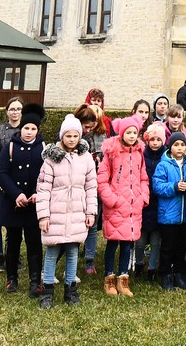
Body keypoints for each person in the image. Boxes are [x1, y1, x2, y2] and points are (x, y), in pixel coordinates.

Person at [36, 114, 97, 308]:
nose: (72, 139)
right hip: (56, 212)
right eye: (68, 136)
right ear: (62, 136)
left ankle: (70, 290)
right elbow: (43, 189)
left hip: (77, 212)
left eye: (75, 136)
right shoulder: (51, 159)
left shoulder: (85, 158)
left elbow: (91, 187)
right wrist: (43, 215)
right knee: (52, 251)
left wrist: (91, 212)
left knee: (72, 251)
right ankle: (47, 291)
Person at [97, 114, 150, 298]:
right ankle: (109, 278)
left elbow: (143, 177)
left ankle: (123, 278)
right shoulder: (112, 152)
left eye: (135, 132)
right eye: (128, 132)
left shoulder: (139, 153)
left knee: (127, 243)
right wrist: (112, 199)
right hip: (116, 206)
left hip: (133, 206)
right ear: (121, 133)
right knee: (113, 243)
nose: (132, 136)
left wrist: (143, 197)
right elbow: (102, 179)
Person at [0, 110, 45, 297]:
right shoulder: (10, 146)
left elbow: (48, 174)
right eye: (26, 128)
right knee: (13, 242)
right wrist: (16, 194)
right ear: (21, 129)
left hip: (34, 204)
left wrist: (37, 193)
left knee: (34, 243)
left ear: (37, 130)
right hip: (13, 204)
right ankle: (12, 278)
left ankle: (35, 281)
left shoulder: (44, 148)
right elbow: (2, 173)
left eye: (33, 129)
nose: (29, 132)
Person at [0, 96, 25, 274]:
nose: (15, 112)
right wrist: (2, 182)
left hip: (19, 186)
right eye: (12, 109)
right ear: (7, 111)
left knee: (15, 221)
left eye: (18, 109)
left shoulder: (27, 130)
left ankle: (13, 255)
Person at [153, 130, 186, 291]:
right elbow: (157, 186)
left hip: (185, 215)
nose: (180, 148)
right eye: (176, 144)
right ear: (170, 147)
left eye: (182, 144)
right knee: (168, 247)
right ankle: (165, 274)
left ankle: (180, 274)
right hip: (168, 215)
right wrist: (174, 187)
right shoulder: (163, 165)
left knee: (181, 247)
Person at [75, 104, 106, 274]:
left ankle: (89, 260)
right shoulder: (71, 136)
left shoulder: (101, 135)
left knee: (92, 223)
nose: (88, 130)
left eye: (91, 127)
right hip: (77, 185)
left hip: (95, 183)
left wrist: (100, 160)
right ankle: (72, 257)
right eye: (86, 127)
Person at [137, 122, 167, 281]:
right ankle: (139, 264)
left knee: (156, 241)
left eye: (158, 139)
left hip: (159, 204)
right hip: (143, 203)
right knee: (140, 241)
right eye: (152, 139)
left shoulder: (166, 157)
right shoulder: (141, 156)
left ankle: (152, 269)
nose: (155, 142)